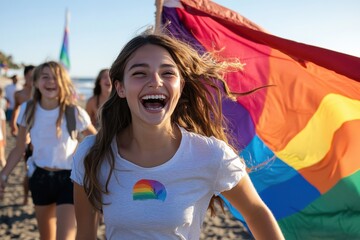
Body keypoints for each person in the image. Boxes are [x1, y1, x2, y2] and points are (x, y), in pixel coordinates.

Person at [70, 33, 284, 239]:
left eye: (167, 73)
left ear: (180, 86)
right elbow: (85, 235)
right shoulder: (93, 154)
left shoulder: (211, 155)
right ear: (120, 88)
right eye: (139, 73)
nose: (155, 81)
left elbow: (256, 211)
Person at [0, 61, 97, 240]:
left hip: (69, 179)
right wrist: (3, 175)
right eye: (45, 77)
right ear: (35, 82)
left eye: (56, 77)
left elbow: (97, 141)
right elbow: (19, 148)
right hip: (40, 179)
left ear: (63, 83)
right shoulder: (27, 110)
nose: (51, 81)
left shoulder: (74, 112)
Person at [10, 65, 35, 205]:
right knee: (28, 170)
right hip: (24, 130)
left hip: (37, 133)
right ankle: (26, 197)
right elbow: (16, 109)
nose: (32, 79)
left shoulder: (40, 94)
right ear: (25, 76)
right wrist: (13, 125)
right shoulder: (19, 94)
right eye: (30, 76)